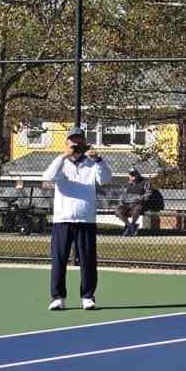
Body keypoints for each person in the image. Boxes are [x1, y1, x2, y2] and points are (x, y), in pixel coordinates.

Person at [41, 127, 111, 310]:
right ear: (66, 143)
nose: (76, 143)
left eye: (79, 140)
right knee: (59, 260)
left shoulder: (92, 163)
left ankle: (88, 297)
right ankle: (57, 298)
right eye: (72, 140)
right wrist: (63, 156)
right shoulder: (60, 162)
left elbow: (105, 179)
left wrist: (99, 160)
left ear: (85, 142)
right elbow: (47, 176)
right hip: (62, 220)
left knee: (88, 261)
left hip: (86, 220)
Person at [118, 169, 150, 236]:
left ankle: (131, 226)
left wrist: (140, 198)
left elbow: (148, 194)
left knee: (137, 208)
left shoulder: (145, 182)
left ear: (138, 174)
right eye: (131, 175)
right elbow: (123, 196)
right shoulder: (127, 184)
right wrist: (123, 201)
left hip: (139, 204)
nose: (133, 177)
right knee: (118, 211)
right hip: (127, 204)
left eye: (134, 175)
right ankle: (131, 226)